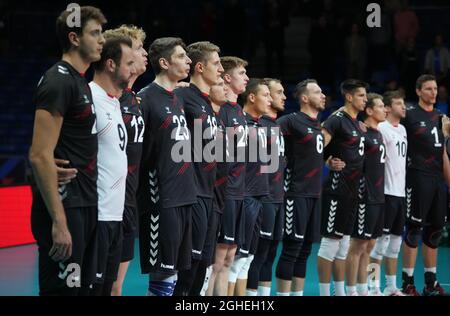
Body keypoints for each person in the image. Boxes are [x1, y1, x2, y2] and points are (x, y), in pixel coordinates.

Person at [29, 6, 106, 296]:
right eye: (95, 33)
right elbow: (39, 154)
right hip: (66, 208)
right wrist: (60, 223)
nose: (102, 40)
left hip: (84, 204)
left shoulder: (79, 81)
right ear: (74, 38)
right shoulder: (59, 80)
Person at [137, 37, 197, 296]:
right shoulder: (145, 99)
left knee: (174, 276)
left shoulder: (178, 98)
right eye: (182, 56)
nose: (189, 61)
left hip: (185, 196)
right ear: (164, 62)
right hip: (161, 199)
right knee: (162, 275)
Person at [275, 79, 343, 296]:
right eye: (317, 92)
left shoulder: (317, 126)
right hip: (295, 194)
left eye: (322, 91)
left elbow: (311, 155)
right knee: (291, 249)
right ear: (304, 98)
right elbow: (266, 138)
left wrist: (327, 163)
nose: (323, 95)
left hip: (315, 195)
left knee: (305, 251)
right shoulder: (290, 121)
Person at [173, 41, 224, 296]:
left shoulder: (207, 104)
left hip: (209, 195)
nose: (221, 69)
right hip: (191, 195)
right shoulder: (182, 96)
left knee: (203, 267)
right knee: (188, 272)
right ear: (200, 67)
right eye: (216, 64)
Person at [88, 35, 136, 296]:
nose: (132, 69)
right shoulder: (89, 97)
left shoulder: (114, 101)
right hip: (97, 216)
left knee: (108, 289)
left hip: (116, 215)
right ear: (110, 64)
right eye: (128, 63)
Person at [102, 25, 148, 296]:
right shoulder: (109, 99)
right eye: (138, 48)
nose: (144, 54)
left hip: (129, 200)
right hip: (106, 204)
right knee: (102, 285)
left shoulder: (133, 98)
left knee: (116, 287)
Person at [317, 79, 368, 296]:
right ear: (349, 97)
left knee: (344, 246)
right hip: (337, 190)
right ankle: (324, 293)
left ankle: (340, 293)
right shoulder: (336, 120)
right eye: (361, 96)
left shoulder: (357, 123)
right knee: (330, 245)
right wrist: (327, 162)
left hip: (353, 191)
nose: (365, 100)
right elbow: (317, 146)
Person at [401, 74, 450, 296]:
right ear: (419, 91)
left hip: (438, 180)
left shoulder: (442, 118)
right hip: (417, 177)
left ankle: (431, 282)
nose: (433, 92)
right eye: (428, 89)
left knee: (434, 232)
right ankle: (407, 282)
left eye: (435, 89)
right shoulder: (409, 115)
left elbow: (444, 153)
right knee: (414, 231)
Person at [207, 56, 249, 296]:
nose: (246, 78)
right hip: (224, 194)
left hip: (239, 192)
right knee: (217, 258)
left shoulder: (238, 111)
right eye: (241, 73)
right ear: (226, 78)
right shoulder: (220, 111)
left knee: (229, 258)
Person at [228, 78, 272, 296]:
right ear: (252, 97)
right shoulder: (240, 122)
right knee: (234, 260)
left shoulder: (261, 124)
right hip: (243, 196)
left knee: (247, 259)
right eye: (266, 95)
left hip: (259, 196)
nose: (270, 100)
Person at [246, 78, 286, 296]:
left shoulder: (279, 125)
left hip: (278, 195)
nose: (280, 97)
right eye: (275, 93)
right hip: (262, 197)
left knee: (270, 253)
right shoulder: (254, 124)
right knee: (257, 253)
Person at [345, 93, 386, 296]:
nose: (385, 109)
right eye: (381, 106)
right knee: (358, 245)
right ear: (369, 110)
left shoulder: (378, 134)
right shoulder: (362, 133)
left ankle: (367, 289)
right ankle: (351, 290)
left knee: (370, 246)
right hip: (364, 196)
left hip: (379, 197)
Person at [369, 90, 408, 296]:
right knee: (379, 245)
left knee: (394, 244)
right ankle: (373, 287)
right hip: (385, 192)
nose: (404, 107)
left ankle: (391, 287)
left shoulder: (402, 129)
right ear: (388, 107)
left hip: (400, 193)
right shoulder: (381, 127)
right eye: (399, 103)